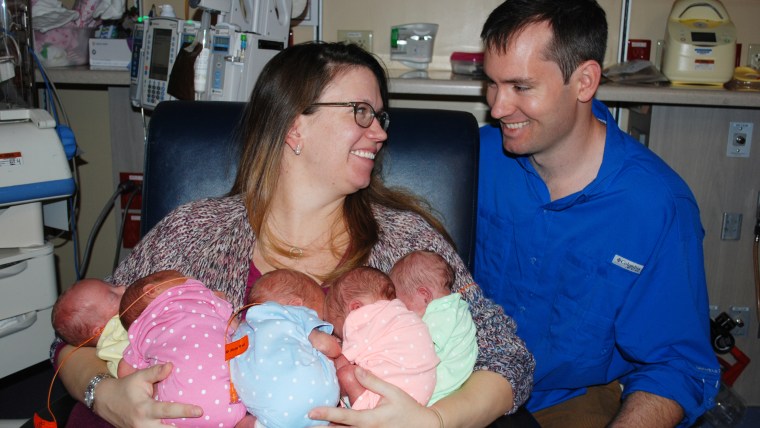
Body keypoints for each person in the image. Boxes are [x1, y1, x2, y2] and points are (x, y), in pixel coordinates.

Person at [54, 41, 534, 427]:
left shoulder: (408, 240)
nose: (381, 132)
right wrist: (105, 393)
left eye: (380, 116)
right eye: (361, 112)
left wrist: (433, 421)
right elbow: (79, 335)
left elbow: (507, 358)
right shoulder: (192, 231)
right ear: (293, 127)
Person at [475, 1, 720, 427]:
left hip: (567, 399)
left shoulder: (656, 205)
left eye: (520, 87)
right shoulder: (476, 159)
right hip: (463, 380)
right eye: (492, 85)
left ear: (585, 80)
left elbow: (677, 366)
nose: (496, 108)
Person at [117, 270, 248, 428]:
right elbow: (238, 329)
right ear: (151, 290)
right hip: (233, 401)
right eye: (183, 279)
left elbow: (124, 372)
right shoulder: (202, 296)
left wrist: (152, 389)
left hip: (172, 411)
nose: (190, 280)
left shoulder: (140, 332)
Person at [230, 269, 341, 427]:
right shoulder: (295, 314)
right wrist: (336, 345)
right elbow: (325, 345)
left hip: (268, 412)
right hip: (317, 402)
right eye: (317, 317)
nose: (318, 321)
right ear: (296, 304)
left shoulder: (241, 329)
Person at [323, 266, 438, 409]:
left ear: (355, 308)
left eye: (341, 333)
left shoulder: (361, 318)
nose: (343, 339)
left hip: (385, 402)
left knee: (344, 374)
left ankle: (357, 415)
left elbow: (340, 363)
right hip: (419, 399)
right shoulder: (405, 314)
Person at [389, 250, 478, 405]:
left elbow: (422, 345)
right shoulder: (455, 310)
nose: (401, 312)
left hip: (439, 391)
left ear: (424, 295)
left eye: (402, 305)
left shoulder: (445, 311)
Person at [51, 279, 128, 377]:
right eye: (112, 297)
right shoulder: (116, 331)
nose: (123, 288)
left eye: (114, 285)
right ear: (100, 330)